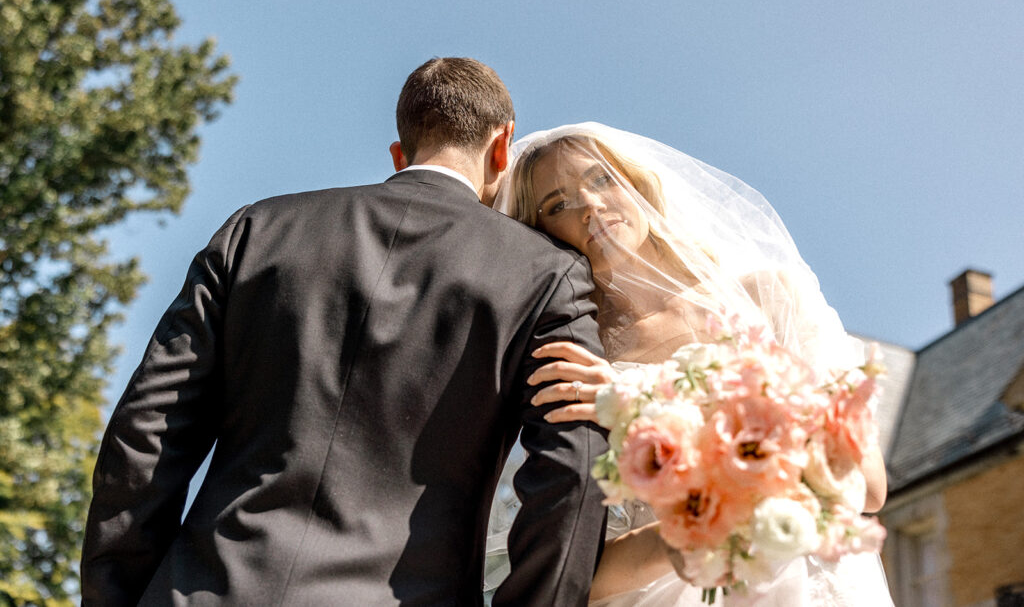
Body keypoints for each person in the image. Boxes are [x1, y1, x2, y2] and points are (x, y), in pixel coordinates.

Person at [81, 59, 609, 606]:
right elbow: (574, 467)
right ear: (502, 148)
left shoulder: (257, 230)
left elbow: (145, 433)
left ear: (399, 155)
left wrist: (116, 597)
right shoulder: (547, 275)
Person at [487, 122, 893, 606]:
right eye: (558, 204)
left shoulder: (767, 296)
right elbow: (569, 575)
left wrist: (639, 403)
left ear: (637, 184)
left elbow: (867, 486)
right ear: (542, 233)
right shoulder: (580, 360)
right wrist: (690, 536)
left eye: (601, 180)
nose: (590, 206)